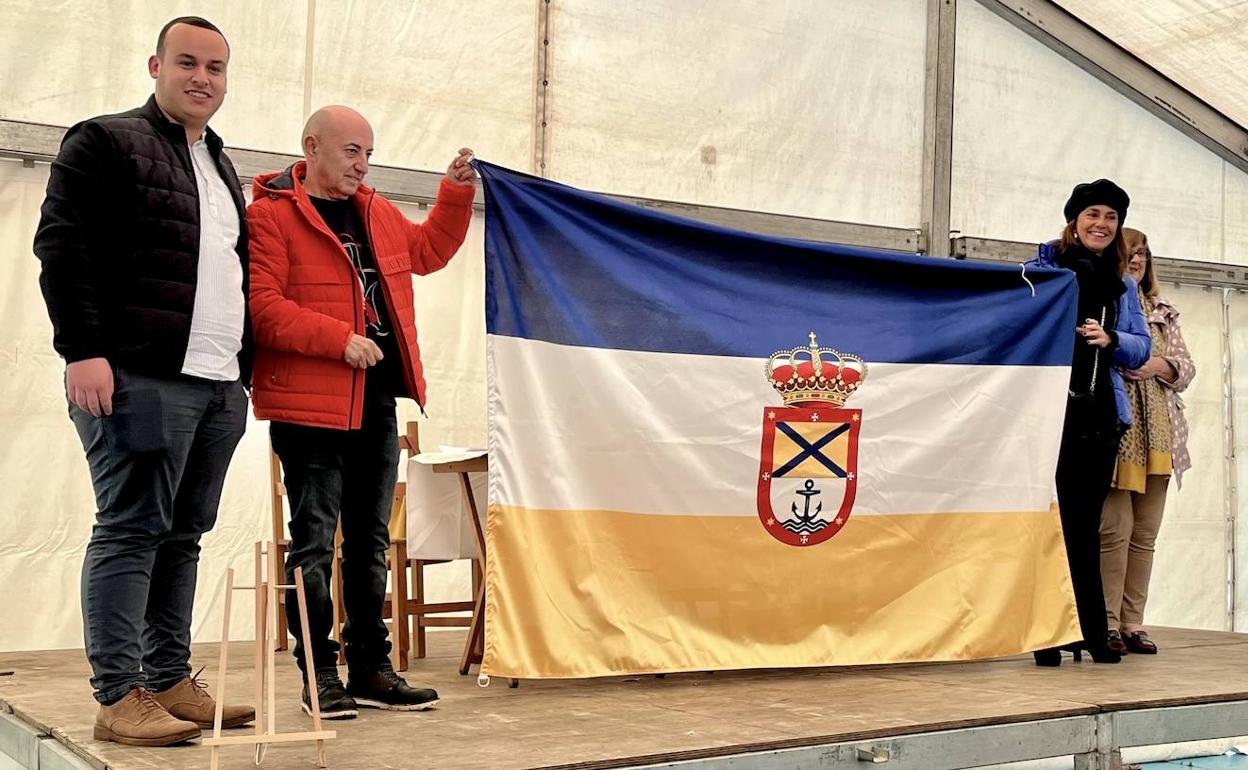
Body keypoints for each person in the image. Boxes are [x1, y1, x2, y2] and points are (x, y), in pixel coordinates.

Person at [32, 17, 255, 746]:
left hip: (217, 383)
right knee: (131, 530)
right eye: (188, 63)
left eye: (216, 68)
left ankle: (166, 679)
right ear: (156, 65)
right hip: (139, 372)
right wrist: (82, 349)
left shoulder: (220, 164)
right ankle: (116, 695)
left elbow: (230, 272)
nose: (203, 78)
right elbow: (63, 245)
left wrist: (241, 375)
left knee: (184, 536)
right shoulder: (103, 139)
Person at [247, 105, 477, 718]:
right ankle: (318, 672)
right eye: (351, 151)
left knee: (369, 543)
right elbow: (261, 307)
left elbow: (428, 252)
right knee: (314, 544)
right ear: (312, 147)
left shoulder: (377, 209)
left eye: (368, 153)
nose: (362, 164)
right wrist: (337, 338)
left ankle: (371, 667)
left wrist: (453, 194)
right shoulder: (270, 215)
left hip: (375, 398)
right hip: (308, 404)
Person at [1026, 179, 1150, 666]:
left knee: (1085, 524)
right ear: (1075, 220)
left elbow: (1143, 347)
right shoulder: (1043, 268)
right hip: (1047, 411)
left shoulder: (1124, 282)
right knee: (1050, 520)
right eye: (1092, 214)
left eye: (1110, 217)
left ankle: (1090, 630)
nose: (1101, 224)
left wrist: (1111, 336)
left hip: (1099, 412)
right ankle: (1048, 632)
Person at [1101, 228, 1195, 657]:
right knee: (1113, 531)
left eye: (1142, 254)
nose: (1136, 261)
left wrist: (1157, 364)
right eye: (1129, 253)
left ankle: (1133, 622)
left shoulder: (1163, 310)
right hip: (1121, 434)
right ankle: (1105, 623)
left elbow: (1187, 370)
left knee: (1145, 534)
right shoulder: (1105, 301)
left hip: (1161, 435)